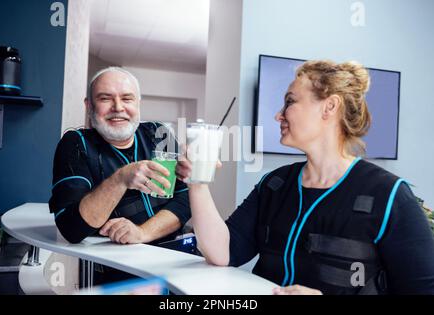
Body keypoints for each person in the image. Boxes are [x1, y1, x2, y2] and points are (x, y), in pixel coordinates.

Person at [176, 60, 434, 295]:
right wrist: (197, 182)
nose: (279, 114)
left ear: (329, 107)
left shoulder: (389, 194)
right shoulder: (274, 185)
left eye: (290, 101)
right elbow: (223, 251)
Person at [49, 67, 191, 247]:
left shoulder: (158, 133)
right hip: (117, 264)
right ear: (89, 106)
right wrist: (121, 179)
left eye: (127, 98)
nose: (118, 107)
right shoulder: (76, 144)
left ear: (138, 104)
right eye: (105, 98)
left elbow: (186, 198)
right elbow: (71, 228)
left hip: (176, 252)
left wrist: (143, 232)